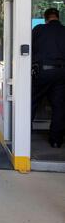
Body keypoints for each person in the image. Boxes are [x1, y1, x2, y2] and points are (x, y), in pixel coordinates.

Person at [32, 8, 65, 148]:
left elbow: (30, 48)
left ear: (46, 18)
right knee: (59, 107)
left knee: (31, 102)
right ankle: (56, 141)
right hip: (62, 74)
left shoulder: (39, 29)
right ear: (58, 17)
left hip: (43, 73)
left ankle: (23, 136)